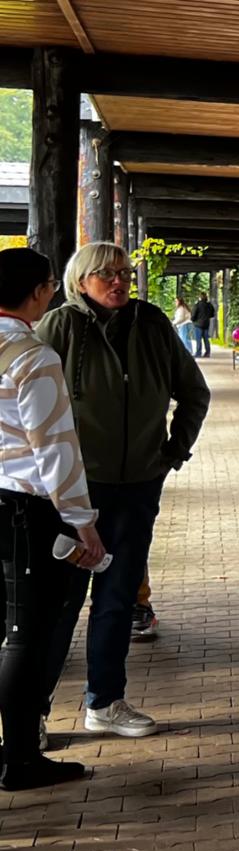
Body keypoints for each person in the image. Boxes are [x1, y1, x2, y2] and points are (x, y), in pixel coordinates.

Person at [35, 242, 210, 740]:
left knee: (116, 598)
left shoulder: (151, 324)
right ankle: (34, 712)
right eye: (106, 274)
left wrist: (172, 452)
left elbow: (194, 391)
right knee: (60, 602)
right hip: (73, 490)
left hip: (138, 486)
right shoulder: (60, 326)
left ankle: (105, 702)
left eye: (124, 274)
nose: (118, 282)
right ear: (81, 280)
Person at [0, 248, 103, 790]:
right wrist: (82, 520)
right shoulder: (32, 356)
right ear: (40, 291)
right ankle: (19, 758)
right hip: (20, 508)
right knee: (24, 634)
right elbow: (54, 448)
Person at [190, 292, 215, 358]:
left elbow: (193, 315)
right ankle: (207, 353)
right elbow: (212, 314)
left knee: (198, 339)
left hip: (198, 325)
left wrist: (193, 320)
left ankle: (198, 353)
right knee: (206, 339)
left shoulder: (197, 305)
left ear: (200, 297)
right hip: (206, 324)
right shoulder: (209, 305)